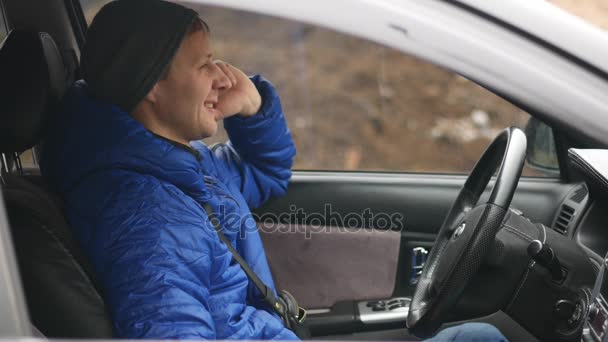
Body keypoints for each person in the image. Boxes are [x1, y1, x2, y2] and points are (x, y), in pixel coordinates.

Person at [41, 0, 508, 340]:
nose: (224, 77)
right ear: (152, 86)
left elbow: (268, 174)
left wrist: (253, 108)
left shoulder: (181, 166)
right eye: (205, 66)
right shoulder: (145, 215)